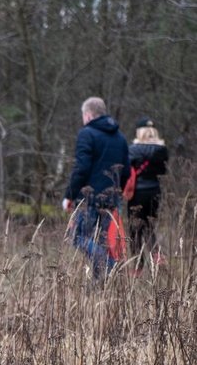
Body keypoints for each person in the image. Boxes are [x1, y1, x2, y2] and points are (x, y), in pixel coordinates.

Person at [62, 97, 129, 277]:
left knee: (77, 237)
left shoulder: (87, 133)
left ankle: (111, 266)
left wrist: (69, 195)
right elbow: (127, 171)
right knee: (100, 244)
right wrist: (115, 192)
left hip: (89, 199)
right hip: (112, 200)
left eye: (83, 115)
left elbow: (81, 168)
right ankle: (99, 289)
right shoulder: (120, 138)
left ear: (89, 114)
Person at [124, 117, 169, 269]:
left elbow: (126, 170)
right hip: (155, 191)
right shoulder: (162, 151)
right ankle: (157, 257)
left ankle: (137, 266)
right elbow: (163, 171)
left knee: (134, 229)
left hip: (137, 193)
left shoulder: (133, 150)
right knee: (149, 226)